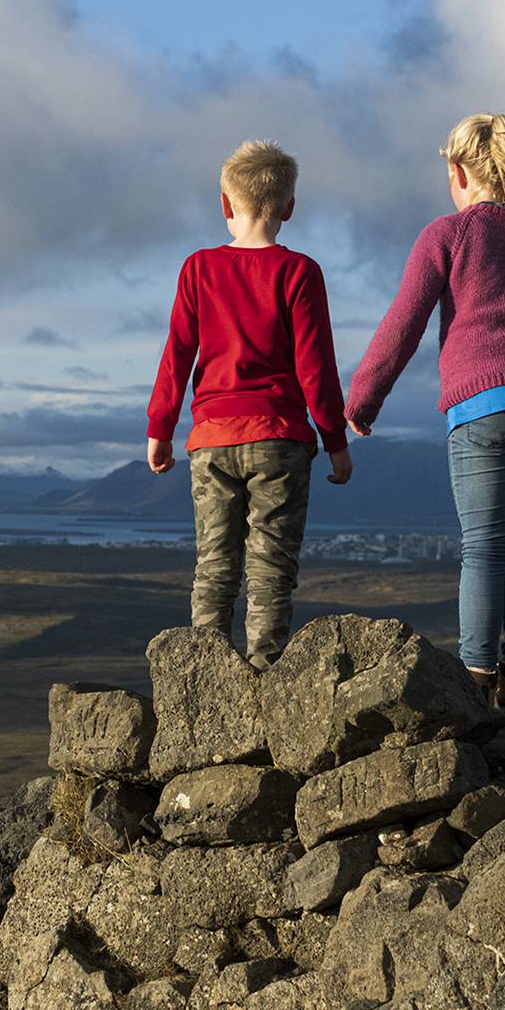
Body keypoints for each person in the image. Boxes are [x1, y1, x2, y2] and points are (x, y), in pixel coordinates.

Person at [344, 113, 505, 721]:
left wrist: (362, 400)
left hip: (483, 404)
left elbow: (402, 324)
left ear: (458, 173)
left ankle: (475, 684)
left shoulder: (449, 234)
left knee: (484, 547)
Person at [146, 140, 354, 669]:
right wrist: (335, 441)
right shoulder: (300, 272)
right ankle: (265, 680)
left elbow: (177, 352)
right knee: (270, 569)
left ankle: (202, 682)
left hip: (212, 440)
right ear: (288, 206)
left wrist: (160, 426)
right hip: (280, 439)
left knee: (214, 567)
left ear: (224, 203)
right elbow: (316, 366)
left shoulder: (199, 268)